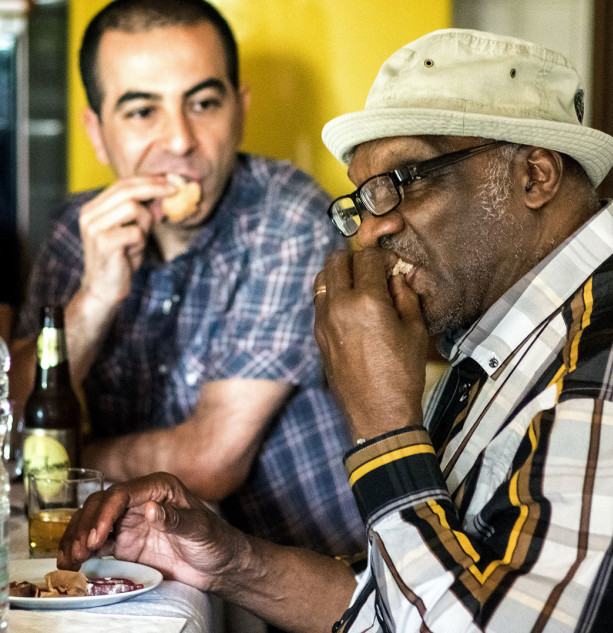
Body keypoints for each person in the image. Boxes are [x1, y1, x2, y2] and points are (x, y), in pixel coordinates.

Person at [59, 28, 613, 633]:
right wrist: (225, 559)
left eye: (401, 181)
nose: (370, 231)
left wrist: (383, 427)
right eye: (363, 199)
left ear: (533, 174)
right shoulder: (520, 328)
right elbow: (414, 598)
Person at [10, 0, 365, 557]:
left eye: (202, 103)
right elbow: (14, 407)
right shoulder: (74, 231)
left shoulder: (289, 218)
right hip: (149, 565)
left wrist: (60, 456)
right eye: (141, 111)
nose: (179, 141)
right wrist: (94, 300)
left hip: (322, 569)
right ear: (97, 131)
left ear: (239, 110)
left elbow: (211, 459)